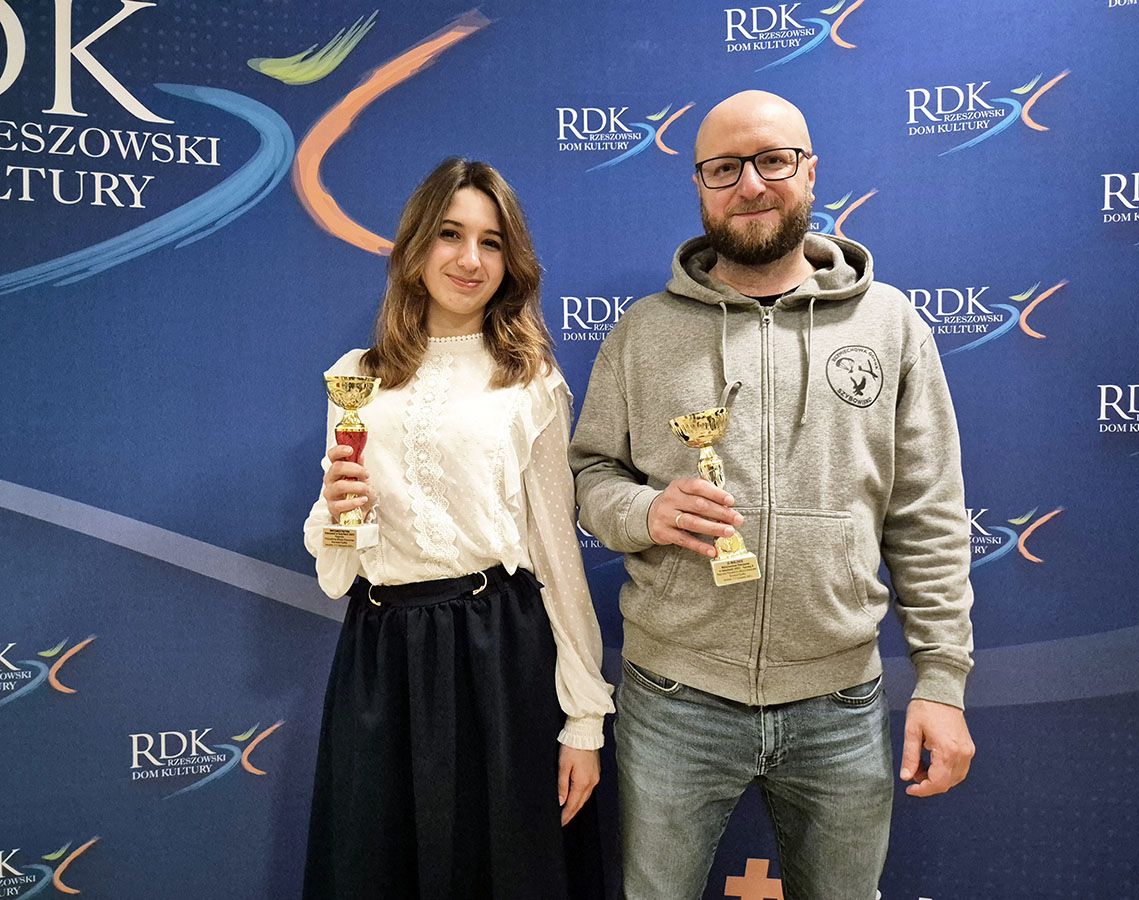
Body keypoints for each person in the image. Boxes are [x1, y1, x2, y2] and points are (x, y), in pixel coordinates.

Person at [569, 90, 976, 899]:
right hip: (675, 699)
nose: (750, 184)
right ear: (699, 185)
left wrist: (941, 679)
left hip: (840, 701)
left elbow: (927, 515)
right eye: (724, 168)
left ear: (810, 171)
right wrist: (645, 511)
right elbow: (590, 477)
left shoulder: (890, 325)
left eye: (772, 161)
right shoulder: (644, 330)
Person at [302, 158, 614, 899]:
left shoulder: (529, 379)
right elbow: (336, 571)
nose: (470, 259)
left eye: (491, 242)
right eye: (450, 234)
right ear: (416, 245)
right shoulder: (356, 376)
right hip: (380, 661)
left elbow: (556, 553)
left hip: (495, 657)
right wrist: (338, 517)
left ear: (512, 262)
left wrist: (583, 720)